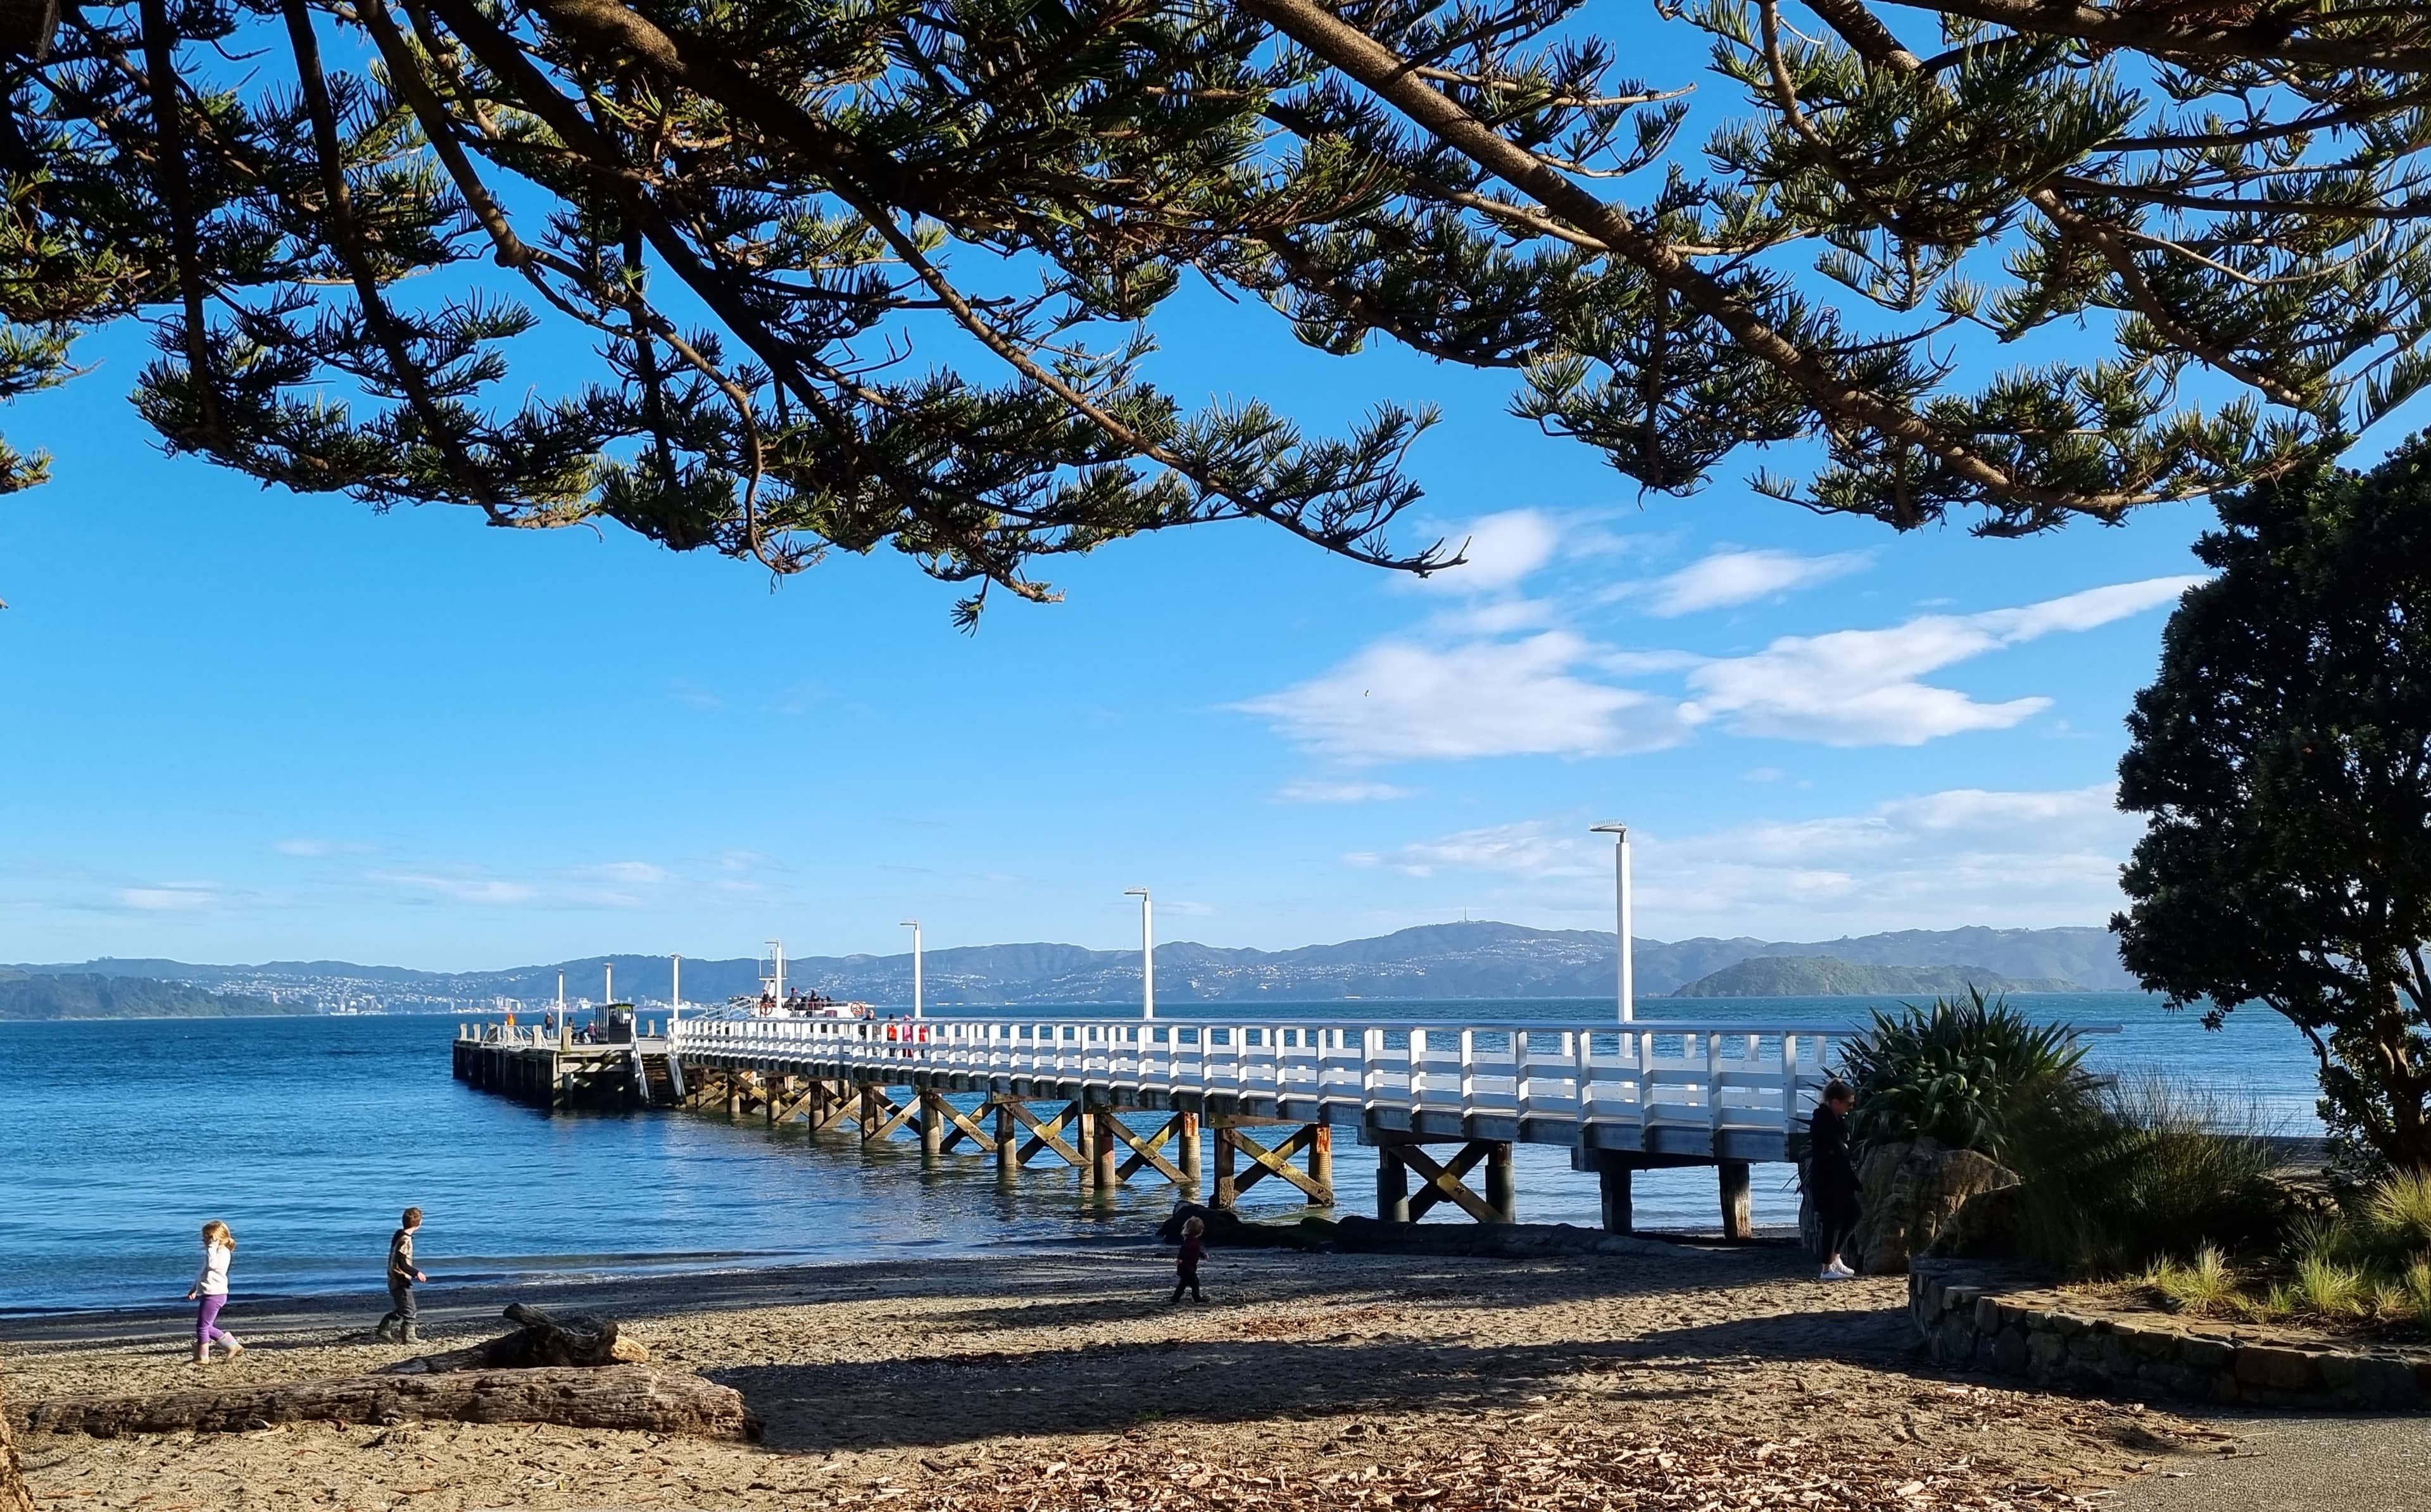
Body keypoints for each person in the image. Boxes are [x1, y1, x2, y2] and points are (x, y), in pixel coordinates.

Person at [1807, 1080, 1863, 1280]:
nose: (1850, 1107)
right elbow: (1834, 1147)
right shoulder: (1822, 1120)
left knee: (1854, 1214)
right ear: (1835, 1102)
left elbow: (1843, 1144)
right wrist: (1843, 1148)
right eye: (1848, 1103)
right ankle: (1826, 1268)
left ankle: (1835, 1257)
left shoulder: (1836, 1119)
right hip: (1828, 1178)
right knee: (1833, 1220)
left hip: (1840, 1176)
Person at [184, 1220, 244, 1363]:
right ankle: (232, 1346)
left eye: (206, 1238)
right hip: (209, 1293)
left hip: (215, 1294)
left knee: (202, 1327)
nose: (203, 1241)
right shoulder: (215, 1252)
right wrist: (195, 1288)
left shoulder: (222, 1252)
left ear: (215, 1238)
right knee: (207, 1326)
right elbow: (204, 1272)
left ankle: (203, 1357)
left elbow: (212, 1266)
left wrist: (212, 1247)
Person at [375, 1207, 429, 1342]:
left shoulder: (399, 1234)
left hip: (392, 1278)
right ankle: (409, 1337)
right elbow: (402, 1263)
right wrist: (417, 1273)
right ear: (419, 1224)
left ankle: (384, 1328)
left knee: (403, 1308)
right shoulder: (405, 1240)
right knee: (410, 1310)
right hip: (400, 1279)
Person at [1169, 1215, 1207, 1304]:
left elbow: (1195, 1252)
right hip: (1187, 1267)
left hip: (1187, 1266)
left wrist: (1203, 1255)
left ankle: (1175, 1298)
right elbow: (1184, 1250)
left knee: (1183, 1283)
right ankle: (1196, 1297)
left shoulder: (1192, 1241)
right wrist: (1180, 1258)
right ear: (1200, 1232)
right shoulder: (1191, 1242)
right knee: (1195, 1282)